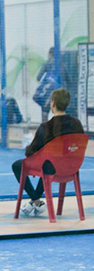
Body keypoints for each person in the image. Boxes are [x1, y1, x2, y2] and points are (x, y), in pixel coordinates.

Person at [12, 88, 84, 217]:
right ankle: (36, 201)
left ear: (52, 104)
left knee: (19, 165)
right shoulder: (77, 124)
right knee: (47, 161)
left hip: (52, 167)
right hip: (72, 166)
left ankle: (35, 200)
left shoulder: (46, 127)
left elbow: (30, 153)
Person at [34, 47, 60, 123]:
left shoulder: (47, 63)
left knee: (45, 112)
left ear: (50, 54)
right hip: (58, 93)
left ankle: (45, 131)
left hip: (48, 93)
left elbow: (38, 77)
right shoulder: (61, 64)